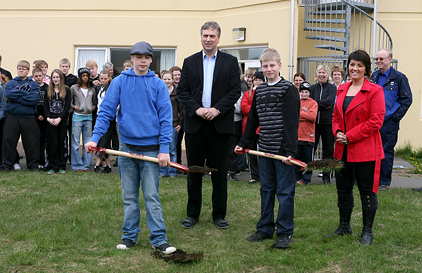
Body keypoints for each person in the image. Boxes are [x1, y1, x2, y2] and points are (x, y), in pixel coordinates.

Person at [84, 41, 177, 254]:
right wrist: (94, 138)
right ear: (132, 58)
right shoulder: (119, 82)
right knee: (129, 196)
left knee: (151, 196)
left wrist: (164, 148)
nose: (142, 61)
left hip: (152, 149)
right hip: (126, 148)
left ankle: (159, 239)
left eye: (146, 57)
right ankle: (129, 237)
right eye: (138, 57)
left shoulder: (158, 85)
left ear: (151, 60)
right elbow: (106, 111)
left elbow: (166, 118)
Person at [177, 21, 241, 229]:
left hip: (220, 124)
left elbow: (234, 91)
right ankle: (192, 214)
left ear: (218, 38)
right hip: (195, 124)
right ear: (201, 37)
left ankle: (219, 215)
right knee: (194, 171)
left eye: (212, 36)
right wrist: (197, 109)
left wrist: (217, 109)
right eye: (205, 35)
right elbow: (183, 92)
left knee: (219, 172)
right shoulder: (190, 61)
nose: (208, 39)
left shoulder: (231, 62)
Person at [235, 48, 300, 249]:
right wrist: (244, 143)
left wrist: (289, 151)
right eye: (265, 66)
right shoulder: (259, 90)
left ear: (280, 65)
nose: (269, 69)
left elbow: (291, 122)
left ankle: (285, 231)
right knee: (266, 189)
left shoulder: (288, 89)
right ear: (261, 69)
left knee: (285, 192)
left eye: (272, 65)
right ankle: (264, 228)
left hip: (282, 152)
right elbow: (253, 120)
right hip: (263, 150)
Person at [329, 50, 385, 246]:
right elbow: (336, 116)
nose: (355, 68)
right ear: (348, 66)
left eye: (360, 65)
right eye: (352, 64)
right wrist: (337, 133)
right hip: (342, 149)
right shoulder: (342, 89)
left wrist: (350, 136)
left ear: (366, 69)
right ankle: (344, 226)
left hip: (365, 149)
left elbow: (376, 121)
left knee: (367, 191)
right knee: (343, 190)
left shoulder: (375, 90)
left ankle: (367, 231)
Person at [371, 49, 412, 191]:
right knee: (371, 151)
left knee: (386, 152)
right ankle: (371, 180)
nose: (378, 61)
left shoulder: (399, 78)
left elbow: (407, 100)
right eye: (376, 59)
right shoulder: (373, 77)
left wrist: (395, 117)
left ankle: (384, 182)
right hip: (372, 121)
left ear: (390, 59)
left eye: (381, 59)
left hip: (388, 123)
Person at [0, 60, 40, 172]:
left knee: (31, 142)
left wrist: (16, 98)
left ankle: (33, 165)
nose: (20, 70)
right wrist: (25, 94)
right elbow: (8, 94)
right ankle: (7, 165)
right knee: (9, 141)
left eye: (23, 69)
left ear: (28, 71)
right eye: (19, 68)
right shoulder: (11, 83)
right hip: (12, 116)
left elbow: (33, 99)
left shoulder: (33, 84)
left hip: (29, 117)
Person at [310, 64, 337, 184]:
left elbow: (330, 101)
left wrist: (317, 104)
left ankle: (327, 177)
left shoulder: (332, 88)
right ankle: (306, 176)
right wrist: (322, 104)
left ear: (328, 75)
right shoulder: (312, 88)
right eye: (319, 72)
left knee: (328, 151)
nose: (321, 75)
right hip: (314, 123)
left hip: (328, 123)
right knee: (311, 149)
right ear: (316, 74)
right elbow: (310, 103)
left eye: (324, 72)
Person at [44, 69, 71, 174]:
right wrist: (48, 118)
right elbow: (45, 106)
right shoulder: (48, 90)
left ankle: (61, 166)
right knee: (52, 144)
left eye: (57, 77)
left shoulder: (66, 90)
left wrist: (60, 118)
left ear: (61, 78)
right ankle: (53, 166)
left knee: (61, 144)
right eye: (53, 77)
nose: (55, 79)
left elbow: (67, 106)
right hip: (51, 120)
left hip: (62, 120)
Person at [70, 67, 96, 172]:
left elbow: (94, 102)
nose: (85, 78)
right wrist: (75, 107)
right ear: (80, 77)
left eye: (87, 76)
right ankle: (77, 166)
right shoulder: (74, 88)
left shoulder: (92, 89)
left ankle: (86, 166)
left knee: (88, 142)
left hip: (88, 117)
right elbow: (69, 102)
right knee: (75, 142)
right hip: (77, 117)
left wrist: (92, 108)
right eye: (83, 76)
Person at [241, 71, 265, 184]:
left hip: (262, 128)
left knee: (263, 154)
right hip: (249, 128)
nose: (257, 82)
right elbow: (244, 108)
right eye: (256, 80)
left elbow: (265, 108)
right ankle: (255, 176)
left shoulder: (265, 93)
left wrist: (254, 109)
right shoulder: (247, 94)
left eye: (260, 80)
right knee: (251, 154)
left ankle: (264, 175)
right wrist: (255, 109)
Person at [159, 71, 182, 178]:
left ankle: (172, 171)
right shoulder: (159, 91)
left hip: (173, 124)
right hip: (160, 125)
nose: (167, 81)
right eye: (165, 79)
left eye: (169, 79)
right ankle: (162, 171)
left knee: (172, 150)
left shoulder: (177, 93)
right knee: (162, 149)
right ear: (161, 79)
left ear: (172, 80)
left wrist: (180, 123)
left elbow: (182, 109)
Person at [296, 81, 317, 185]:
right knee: (296, 159)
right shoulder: (295, 101)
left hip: (309, 137)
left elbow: (313, 117)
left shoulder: (313, 103)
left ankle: (306, 179)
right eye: (302, 92)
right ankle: (296, 178)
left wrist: (299, 114)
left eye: (306, 92)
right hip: (297, 136)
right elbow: (293, 116)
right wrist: (305, 115)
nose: (304, 94)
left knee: (307, 160)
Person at [93, 69, 114, 174]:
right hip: (99, 117)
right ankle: (108, 165)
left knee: (103, 142)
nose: (103, 80)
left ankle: (97, 164)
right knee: (103, 143)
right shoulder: (99, 88)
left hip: (108, 119)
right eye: (101, 78)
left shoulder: (111, 89)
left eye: (105, 78)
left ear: (109, 78)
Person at [33, 67, 49, 169]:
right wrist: (37, 115)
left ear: (43, 76)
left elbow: (49, 104)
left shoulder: (47, 87)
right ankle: (36, 161)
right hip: (34, 117)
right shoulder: (31, 87)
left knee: (44, 140)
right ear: (33, 77)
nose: (38, 78)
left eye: (40, 76)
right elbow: (31, 103)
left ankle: (43, 162)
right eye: (36, 76)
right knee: (35, 140)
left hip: (45, 117)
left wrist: (45, 115)